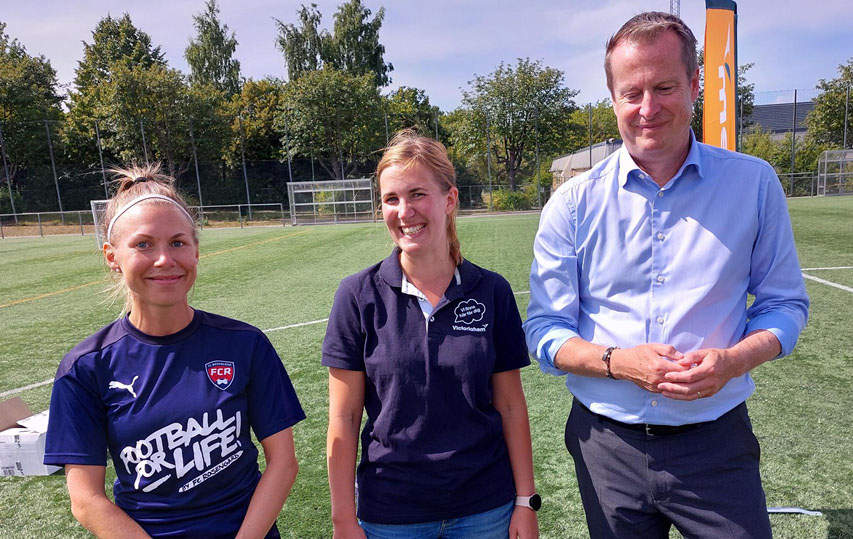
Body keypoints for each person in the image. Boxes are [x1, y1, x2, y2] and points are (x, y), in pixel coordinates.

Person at [524, 12, 809, 539]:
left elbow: (785, 305)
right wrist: (617, 363)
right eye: (632, 93)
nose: (648, 108)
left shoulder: (754, 184)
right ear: (612, 99)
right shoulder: (572, 204)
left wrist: (733, 360)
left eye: (665, 87)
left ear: (695, 85)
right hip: (606, 446)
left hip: (716, 443)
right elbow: (544, 332)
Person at [44, 165, 305, 538]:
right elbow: (85, 499)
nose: (164, 259)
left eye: (178, 242)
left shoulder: (245, 344)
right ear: (111, 256)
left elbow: (284, 463)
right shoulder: (86, 367)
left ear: (196, 251)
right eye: (143, 244)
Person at [323, 129, 539, 539]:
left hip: (485, 508)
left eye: (418, 194)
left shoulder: (491, 291)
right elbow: (344, 417)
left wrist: (525, 501)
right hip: (390, 511)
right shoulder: (356, 295)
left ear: (450, 200)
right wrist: (343, 519)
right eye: (391, 199)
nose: (405, 211)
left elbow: (510, 405)